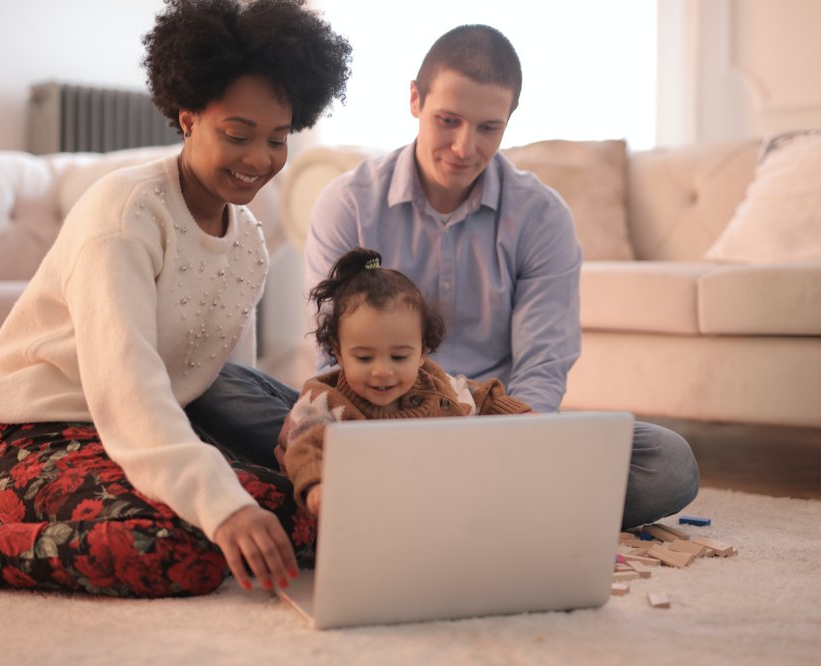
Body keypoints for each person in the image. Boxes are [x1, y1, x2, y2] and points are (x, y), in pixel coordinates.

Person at [0, 0, 351, 597]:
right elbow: (125, 385)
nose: (260, 159)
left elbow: (217, 384)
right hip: (34, 438)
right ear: (188, 116)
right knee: (176, 553)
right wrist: (220, 504)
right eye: (238, 135)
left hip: (148, 434)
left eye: (277, 138)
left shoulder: (250, 245)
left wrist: (286, 467)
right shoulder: (126, 212)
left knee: (317, 517)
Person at [300, 24, 700, 530]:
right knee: (242, 398)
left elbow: (543, 363)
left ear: (510, 120)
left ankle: (421, 506)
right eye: (448, 120)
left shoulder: (541, 215)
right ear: (415, 100)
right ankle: (493, 512)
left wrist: (505, 448)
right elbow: (326, 350)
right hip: (369, 420)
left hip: (491, 429)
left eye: (489, 127)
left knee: (667, 462)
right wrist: (349, 439)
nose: (465, 147)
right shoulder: (349, 202)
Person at [276, 247, 532, 515]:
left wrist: (522, 415)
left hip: (440, 502)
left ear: (422, 352)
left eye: (398, 357)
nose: (382, 371)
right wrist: (317, 484)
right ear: (338, 351)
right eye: (364, 358)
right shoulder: (323, 399)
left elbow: (481, 396)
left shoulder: (434, 384)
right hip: (364, 509)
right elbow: (304, 444)